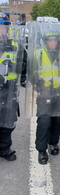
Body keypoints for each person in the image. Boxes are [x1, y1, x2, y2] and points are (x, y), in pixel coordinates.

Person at [32, 28, 60, 164]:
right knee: (44, 122)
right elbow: (30, 72)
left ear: (59, 41)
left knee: (57, 121)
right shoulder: (38, 54)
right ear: (45, 42)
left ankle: (53, 143)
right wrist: (36, 81)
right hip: (44, 94)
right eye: (49, 40)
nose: (52, 43)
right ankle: (41, 150)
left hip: (59, 93)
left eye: (55, 40)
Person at [0, 13, 24, 161]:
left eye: (4, 27)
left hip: (9, 90)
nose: (1, 31)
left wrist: (26, 77)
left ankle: (4, 148)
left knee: (8, 121)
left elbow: (25, 62)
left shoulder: (15, 45)